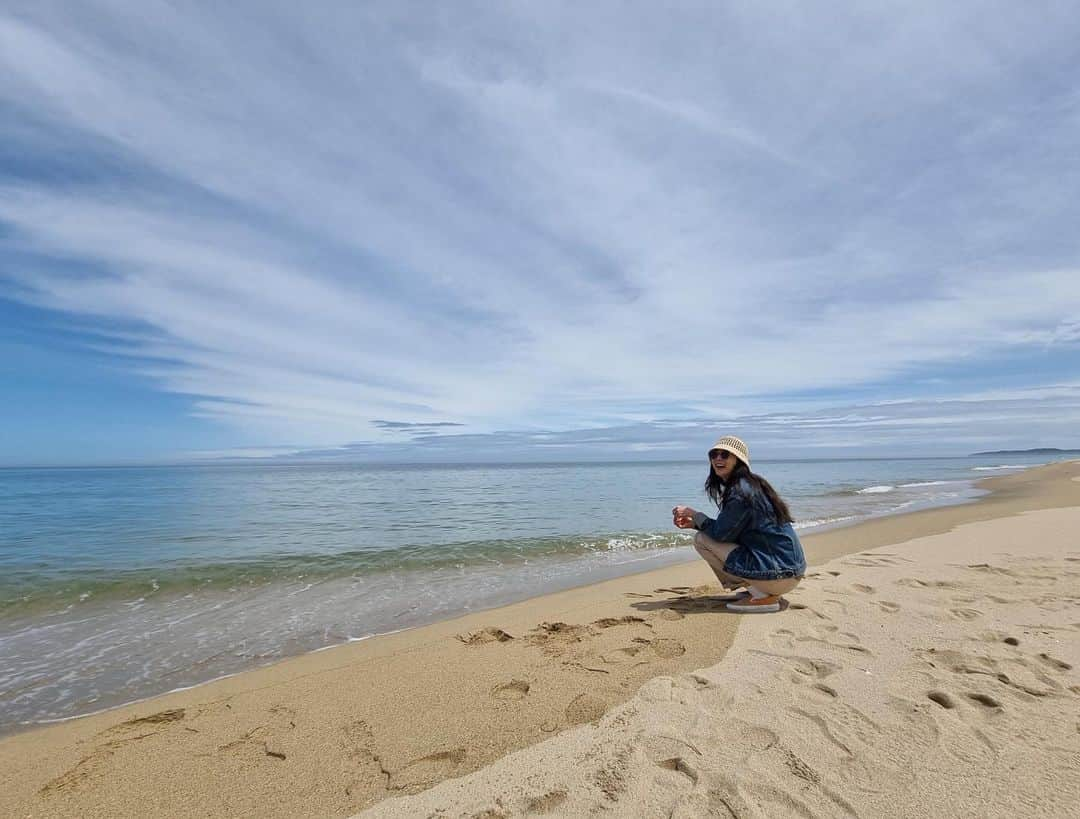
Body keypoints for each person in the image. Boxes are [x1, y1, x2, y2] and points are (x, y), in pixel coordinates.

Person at [672, 436, 805, 613]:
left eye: (725, 454)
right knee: (705, 535)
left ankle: (761, 595)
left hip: (779, 575)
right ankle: (759, 589)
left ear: (738, 460)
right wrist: (694, 523)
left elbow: (721, 535)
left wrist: (695, 515)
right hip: (789, 571)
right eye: (714, 454)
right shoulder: (751, 485)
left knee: (701, 540)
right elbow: (731, 531)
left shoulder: (740, 492)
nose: (718, 459)